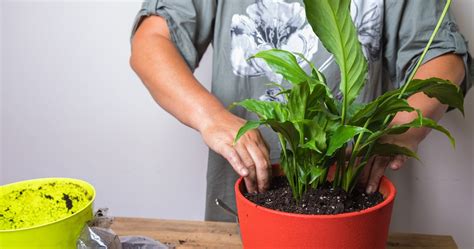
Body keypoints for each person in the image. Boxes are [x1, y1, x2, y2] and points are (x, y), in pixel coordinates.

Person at [130, 0, 472, 222]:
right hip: (242, 211)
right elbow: (152, 41)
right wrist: (211, 117)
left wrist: (404, 128)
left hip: (348, 205)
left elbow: (445, 59)